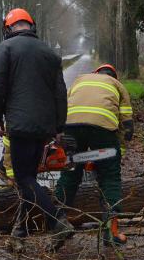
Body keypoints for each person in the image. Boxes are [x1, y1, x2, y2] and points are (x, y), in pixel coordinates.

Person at [0, 8, 74, 251]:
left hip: (20, 126)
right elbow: (60, 93)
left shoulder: (7, 49)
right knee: (30, 179)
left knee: (23, 178)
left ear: (8, 28)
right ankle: (20, 231)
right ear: (31, 26)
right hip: (44, 126)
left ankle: (57, 220)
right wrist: (58, 126)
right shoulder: (50, 53)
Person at [55, 64, 133, 246]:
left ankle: (57, 224)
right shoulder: (117, 85)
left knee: (69, 174)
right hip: (103, 129)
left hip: (71, 127)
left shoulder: (80, 80)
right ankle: (110, 233)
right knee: (110, 178)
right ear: (114, 76)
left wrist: (59, 132)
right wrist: (116, 152)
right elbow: (127, 126)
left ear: (96, 73)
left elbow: (65, 104)